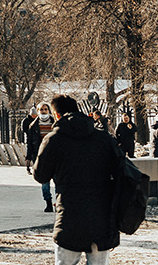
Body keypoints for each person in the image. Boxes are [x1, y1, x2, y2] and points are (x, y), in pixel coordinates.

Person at [33, 94, 122, 265]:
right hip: (101, 213)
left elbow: (40, 175)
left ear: (56, 114)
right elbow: (120, 170)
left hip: (69, 212)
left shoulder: (53, 139)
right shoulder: (103, 138)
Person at [26, 103, 55, 213]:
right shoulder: (33, 126)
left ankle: (58, 202)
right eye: (41, 109)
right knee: (45, 182)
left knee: (58, 181)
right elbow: (30, 143)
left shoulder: (55, 123)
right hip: (40, 156)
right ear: (38, 111)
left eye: (45, 109)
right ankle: (48, 203)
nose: (43, 111)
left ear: (49, 110)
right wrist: (28, 158)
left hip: (54, 155)